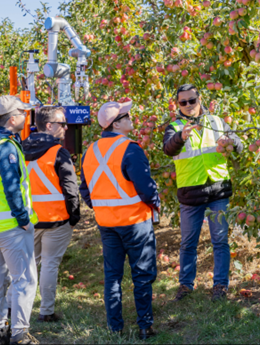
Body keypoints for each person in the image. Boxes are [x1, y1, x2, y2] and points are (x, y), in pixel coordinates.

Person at [79, 99, 160, 340]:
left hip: (107, 223)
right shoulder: (131, 149)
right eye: (126, 115)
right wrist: (156, 202)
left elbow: (86, 190)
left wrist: (102, 206)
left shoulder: (90, 151)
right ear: (116, 123)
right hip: (135, 221)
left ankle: (115, 327)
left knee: (112, 276)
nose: (131, 117)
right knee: (142, 274)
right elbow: (145, 187)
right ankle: (145, 325)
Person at [162, 84, 244, 302]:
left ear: (200, 99)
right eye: (183, 102)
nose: (189, 106)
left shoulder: (217, 122)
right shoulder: (175, 126)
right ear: (178, 104)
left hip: (218, 189)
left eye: (192, 100)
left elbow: (240, 145)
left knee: (220, 241)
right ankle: (186, 286)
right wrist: (180, 137)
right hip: (191, 193)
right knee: (188, 243)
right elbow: (168, 149)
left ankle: (220, 286)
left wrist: (231, 142)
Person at [0, 95, 39, 345]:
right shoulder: (6, 148)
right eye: (23, 113)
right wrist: (23, 218)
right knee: (25, 280)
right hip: (10, 227)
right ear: (13, 119)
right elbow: (12, 188)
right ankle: (20, 334)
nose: (26, 117)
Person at [22, 106, 81, 323]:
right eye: (62, 123)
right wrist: (74, 216)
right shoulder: (58, 152)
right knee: (49, 265)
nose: (66, 128)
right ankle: (46, 311)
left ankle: (12, 305)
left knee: (26, 264)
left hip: (28, 220)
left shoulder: (20, 149)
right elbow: (70, 187)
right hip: (56, 220)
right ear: (49, 126)